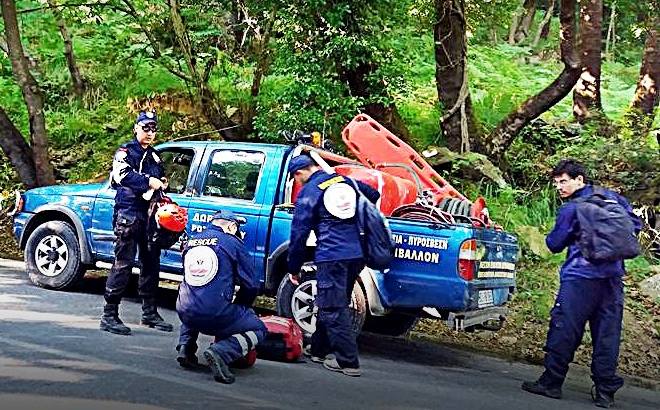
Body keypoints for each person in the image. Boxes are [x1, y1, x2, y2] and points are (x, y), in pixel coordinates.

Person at [522, 159, 642, 408]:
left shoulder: (571, 208)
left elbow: (554, 244)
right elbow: (635, 227)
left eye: (563, 181)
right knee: (607, 336)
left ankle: (551, 383)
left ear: (580, 180)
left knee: (565, 329)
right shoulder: (613, 199)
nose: (559, 187)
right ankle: (605, 392)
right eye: (556, 183)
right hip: (612, 279)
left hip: (579, 278)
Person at [287, 154, 380, 377]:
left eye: (296, 179)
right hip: (356, 254)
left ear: (299, 174)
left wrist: (294, 267)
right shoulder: (341, 180)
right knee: (333, 301)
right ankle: (318, 349)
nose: (298, 183)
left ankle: (348, 362)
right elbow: (373, 194)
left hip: (332, 255)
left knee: (332, 307)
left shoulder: (309, 192)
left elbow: (299, 233)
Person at [101, 110, 173, 335]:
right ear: (136, 128)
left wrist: (161, 183)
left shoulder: (155, 156)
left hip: (150, 214)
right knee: (123, 262)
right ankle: (109, 314)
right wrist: (148, 180)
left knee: (151, 263)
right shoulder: (126, 151)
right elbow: (121, 176)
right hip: (129, 213)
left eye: (153, 129)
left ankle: (149, 312)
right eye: (146, 128)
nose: (150, 133)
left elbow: (157, 181)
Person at [176, 210, 266, 384]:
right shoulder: (232, 243)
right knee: (259, 329)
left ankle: (185, 347)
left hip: (184, 310)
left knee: (196, 299)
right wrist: (242, 307)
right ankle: (221, 351)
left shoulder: (192, 241)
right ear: (232, 227)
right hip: (213, 314)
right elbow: (251, 285)